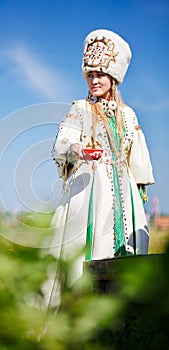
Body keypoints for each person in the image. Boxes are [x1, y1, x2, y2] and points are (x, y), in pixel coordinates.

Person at [45, 29, 154, 306]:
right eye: (90, 75)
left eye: (100, 75)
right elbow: (61, 145)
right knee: (84, 252)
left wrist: (138, 192)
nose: (94, 80)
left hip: (123, 192)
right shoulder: (79, 108)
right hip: (89, 190)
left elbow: (137, 158)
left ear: (113, 78)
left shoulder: (129, 115)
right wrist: (78, 149)